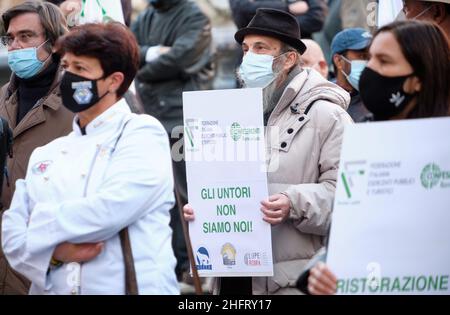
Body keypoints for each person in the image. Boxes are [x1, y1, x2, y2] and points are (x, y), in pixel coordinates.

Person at [1, 22, 179, 295]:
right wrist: (55, 255)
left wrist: (36, 225)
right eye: (66, 67)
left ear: (114, 80)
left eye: (80, 69)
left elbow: (109, 210)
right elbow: (12, 234)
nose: (69, 77)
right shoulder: (47, 153)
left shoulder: (141, 133)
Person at [184, 8, 353, 295]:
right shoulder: (231, 115)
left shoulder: (327, 115)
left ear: (288, 59)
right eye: (246, 49)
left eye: (261, 48)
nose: (249, 57)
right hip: (231, 274)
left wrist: (293, 201)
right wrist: (202, 209)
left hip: (287, 281)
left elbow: (350, 197)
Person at [300, 20, 450, 295]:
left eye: (383, 61)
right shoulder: (364, 141)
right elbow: (350, 236)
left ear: (417, 79)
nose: (370, 71)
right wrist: (324, 272)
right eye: (369, 59)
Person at [132, 0, 214, 283]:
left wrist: (137, 70)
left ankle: (192, 265)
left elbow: (182, 57)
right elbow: (128, 51)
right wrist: (152, 52)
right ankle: (170, 262)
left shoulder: (195, 16)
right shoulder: (146, 17)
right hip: (148, 115)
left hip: (184, 118)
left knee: (187, 194)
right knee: (158, 194)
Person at [0, 1, 73, 295]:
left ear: (55, 43)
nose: (15, 46)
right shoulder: (1, 98)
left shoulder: (78, 104)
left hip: (48, 256)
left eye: (26, 36)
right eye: (10, 38)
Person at [331, 28, 373, 122]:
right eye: (362, 56)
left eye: (372, 57)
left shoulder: (381, 96)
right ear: (338, 61)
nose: (370, 63)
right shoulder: (324, 98)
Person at [229, 0, 328, 39]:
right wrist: (288, 8)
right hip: (257, 57)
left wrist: (267, 22)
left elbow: (316, 18)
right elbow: (241, 9)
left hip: (299, 55)